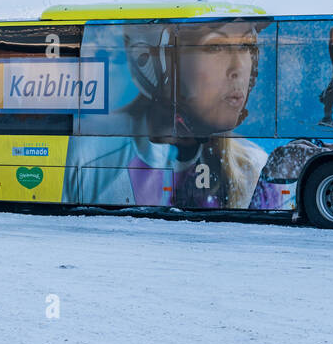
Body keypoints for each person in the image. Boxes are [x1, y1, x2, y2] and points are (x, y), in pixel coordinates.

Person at [63, 18, 270, 210]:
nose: (239, 68)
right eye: (214, 46)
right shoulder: (89, 155)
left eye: (246, 46)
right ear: (149, 63)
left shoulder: (256, 168)